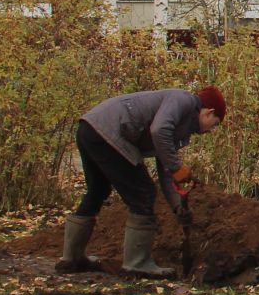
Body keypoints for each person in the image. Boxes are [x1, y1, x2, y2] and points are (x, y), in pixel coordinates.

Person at [59, 86, 227, 278]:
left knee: (98, 190)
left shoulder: (181, 123)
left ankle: (71, 258)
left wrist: (177, 207)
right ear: (209, 112)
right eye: (215, 124)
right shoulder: (183, 100)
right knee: (143, 192)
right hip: (108, 131)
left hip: (90, 128)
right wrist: (177, 168)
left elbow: (165, 168)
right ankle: (137, 263)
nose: (211, 130)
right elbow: (159, 131)